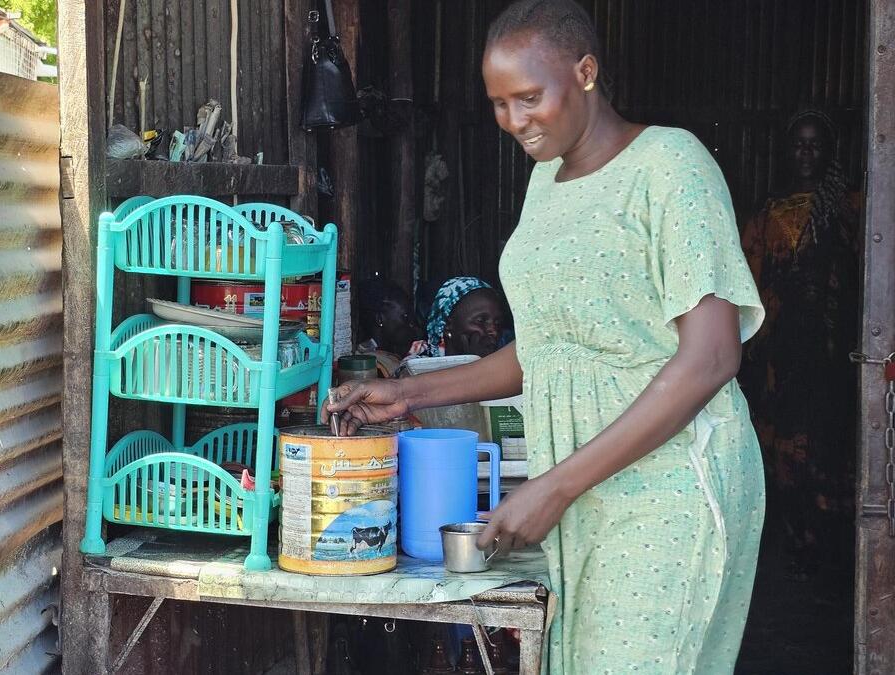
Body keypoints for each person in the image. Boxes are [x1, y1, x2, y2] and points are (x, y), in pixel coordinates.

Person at [325, 1, 766, 671]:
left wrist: (553, 486)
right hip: (586, 490)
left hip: (670, 484)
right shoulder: (545, 184)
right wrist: (409, 392)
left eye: (529, 97)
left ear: (585, 72)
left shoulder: (671, 167)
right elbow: (550, 351)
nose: (514, 120)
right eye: (500, 103)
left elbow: (711, 357)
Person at [738, 110, 862, 582]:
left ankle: (833, 551)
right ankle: (795, 546)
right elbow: (749, 281)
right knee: (785, 447)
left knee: (833, 446)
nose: (806, 153)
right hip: (783, 353)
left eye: (816, 145)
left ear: (830, 152)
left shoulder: (851, 206)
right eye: (799, 144)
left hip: (838, 353)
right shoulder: (768, 212)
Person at [411, 276, 508, 358]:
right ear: (447, 325)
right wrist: (472, 363)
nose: (494, 332)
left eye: (497, 323)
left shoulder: (506, 363)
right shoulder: (418, 364)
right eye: (480, 321)